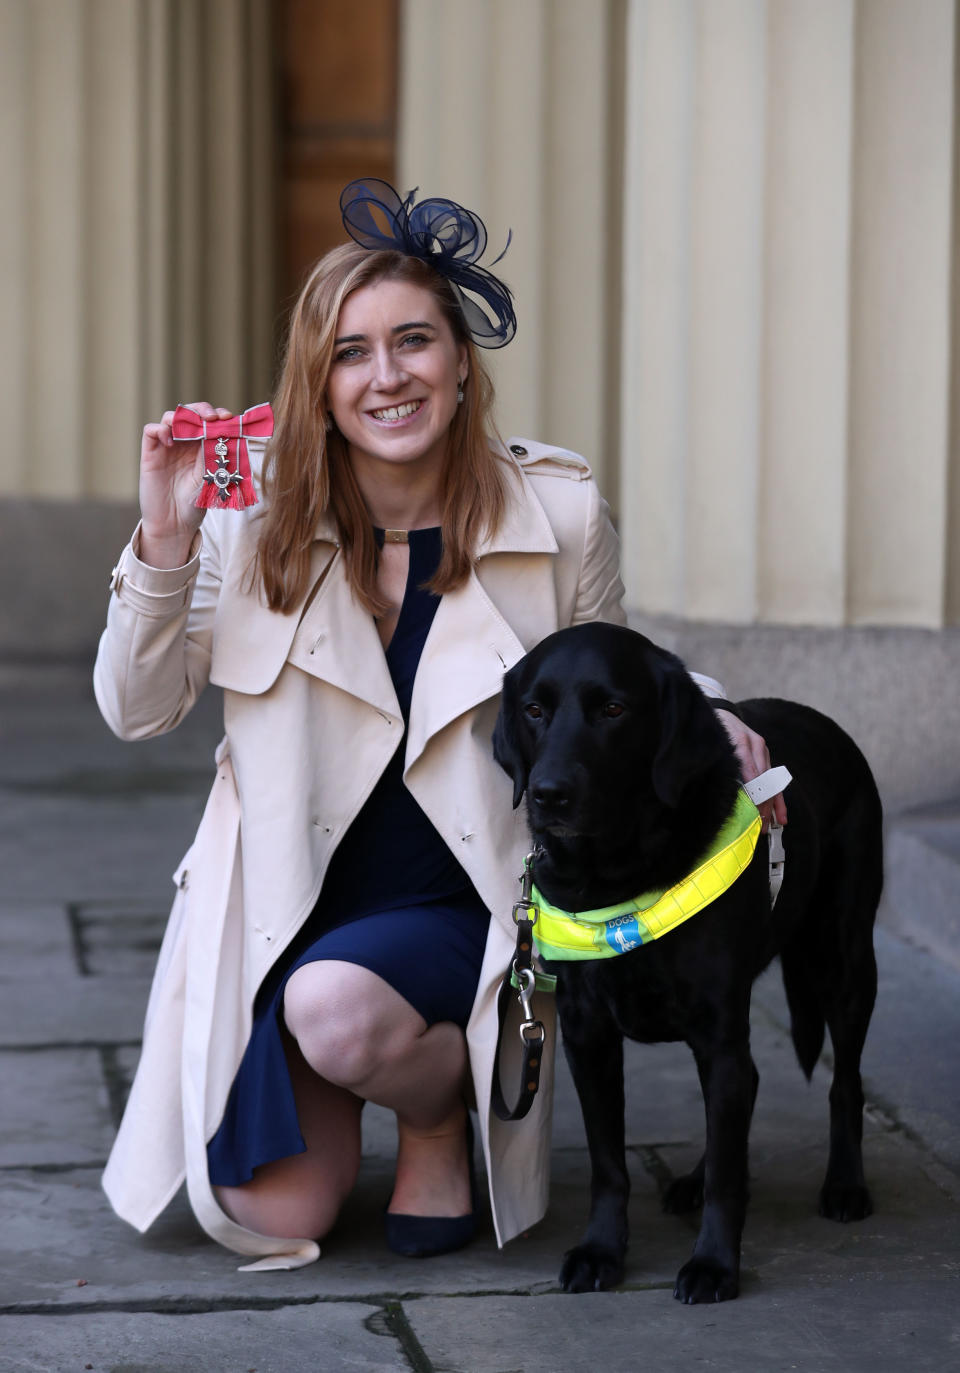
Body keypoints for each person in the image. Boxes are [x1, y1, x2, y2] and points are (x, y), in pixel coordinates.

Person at [94, 179, 786, 1270]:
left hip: (464, 896)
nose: (388, 376)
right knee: (277, 1215)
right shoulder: (248, 519)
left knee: (335, 1008)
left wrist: (711, 711)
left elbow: (611, 659)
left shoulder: (554, 514)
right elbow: (137, 711)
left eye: (414, 341)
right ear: (317, 384)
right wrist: (166, 542)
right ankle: (367, 1052)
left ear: (461, 364)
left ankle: (431, 1114)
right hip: (295, 901)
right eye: (352, 352)